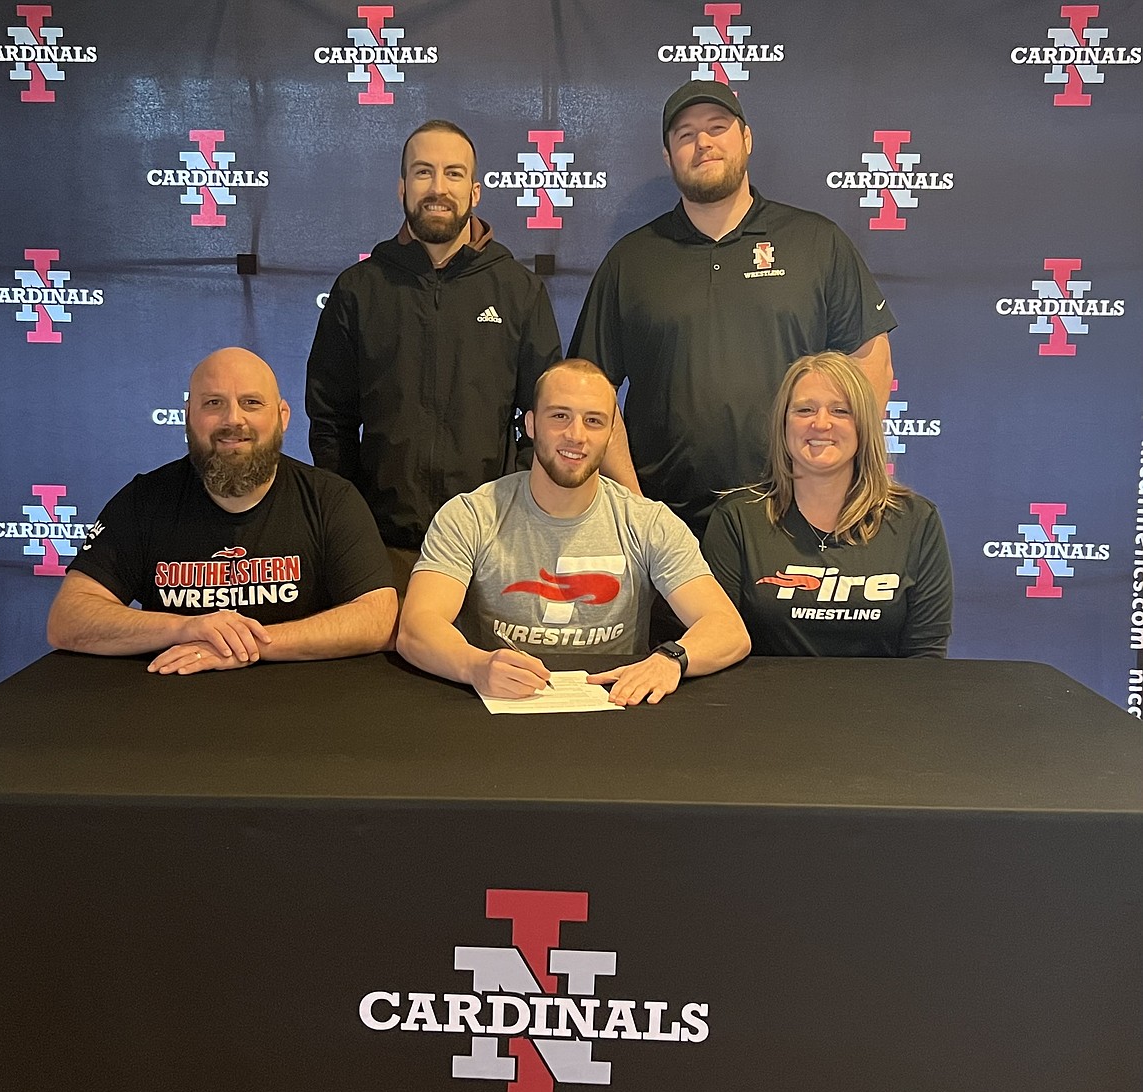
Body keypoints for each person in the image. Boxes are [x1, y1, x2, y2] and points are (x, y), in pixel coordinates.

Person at [569, 80, 897, 538]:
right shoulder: (632, 260)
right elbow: (590, 390)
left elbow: (870, 359)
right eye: (685, 135)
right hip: (667, 530)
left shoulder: (815, 242)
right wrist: (637, 506)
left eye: (717, 128)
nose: (702, 143)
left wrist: (834, 477)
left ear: (746, 139)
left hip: (795, 519)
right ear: (669, 158)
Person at [397, 359, 749, 704]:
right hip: (500, 711)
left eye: (593, 421)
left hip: (615, 713)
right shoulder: (471, 515)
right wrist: (473, 665)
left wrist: (670, 659)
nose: (576, 435)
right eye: (560, 416)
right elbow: (417, 626)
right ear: (531, 424)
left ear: (611, 434)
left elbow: (728, 629)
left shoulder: (648, 522)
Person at [306, 118, 562, 590]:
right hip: (384, 548)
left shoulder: (518, 290)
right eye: (423, 173)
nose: (437, 187)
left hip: (492, 546)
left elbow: (544, 417)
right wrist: (353, 519)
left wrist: (516, 506)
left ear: (476, 191)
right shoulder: (359, 289)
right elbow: (330, 421)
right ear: (402, 187)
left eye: (454, 173)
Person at [48, 347, 397, 675]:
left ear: (282, 416)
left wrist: (243, 646)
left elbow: (378, 617)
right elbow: (69, 618)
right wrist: (185, 628)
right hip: (170, 701)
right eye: (213, 403)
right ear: (188, 417)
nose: (234, 419)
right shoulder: (144, 500)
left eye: (252, 403)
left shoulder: (330, 499)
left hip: (301, 706)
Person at [702, 351, 951, 657]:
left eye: (840, 411)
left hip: (882, 704)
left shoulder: (916, 521)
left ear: (863, 426)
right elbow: (713, 639)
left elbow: (925, 656)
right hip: (766, 703)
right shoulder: (737, 519)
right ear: (783, 423)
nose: (821, 423)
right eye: (805, 409)